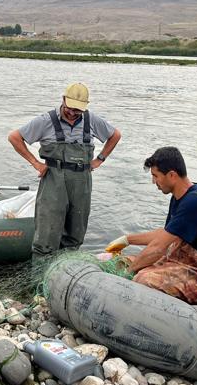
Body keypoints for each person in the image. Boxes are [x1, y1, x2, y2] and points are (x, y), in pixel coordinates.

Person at [104, 146, 197, 305]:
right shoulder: (179, 197)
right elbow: (166, 234)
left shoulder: (195, 201)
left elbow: (159, 246)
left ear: (172, 175)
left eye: (156, 176)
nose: (154, 182)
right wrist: (127, 240)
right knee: (122, 262)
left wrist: (129, 273)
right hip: (184, 264)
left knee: (143, 278)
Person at [8, 82, 122, 258]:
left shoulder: (92, 121)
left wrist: (99, 159)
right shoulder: (45, 121)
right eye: (70, 108)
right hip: (54, 180)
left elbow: (115, 135)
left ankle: (65, 275)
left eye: (78, 110)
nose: (72, 113)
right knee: (46, 237)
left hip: (82, 181)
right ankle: (41, 280)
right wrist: (36, 163)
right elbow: (14, 137)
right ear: (63, 100)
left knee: (76, 234)